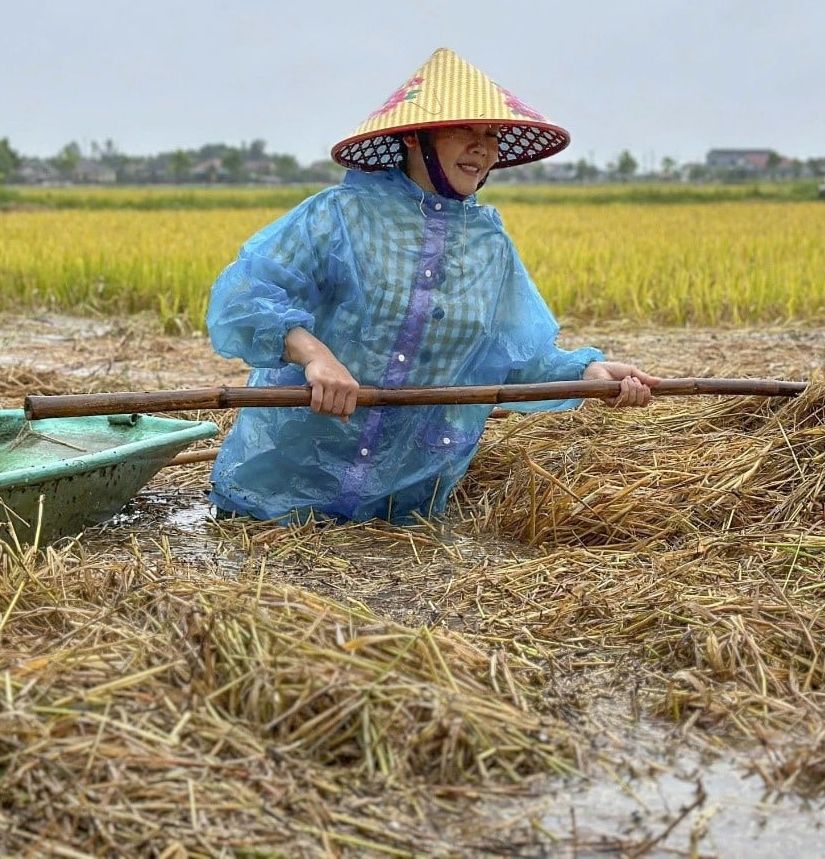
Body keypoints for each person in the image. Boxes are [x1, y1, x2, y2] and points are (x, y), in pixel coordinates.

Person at [206, 47, 659, 524]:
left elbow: (513, 358)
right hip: (278, 499)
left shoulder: (488, 245)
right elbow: (244, 297)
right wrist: (316, 355)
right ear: (415, 137)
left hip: (399, 515)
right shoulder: (339, 216)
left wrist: (589, 375)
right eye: (465, 130)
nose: (483, 149)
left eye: (491, 135)